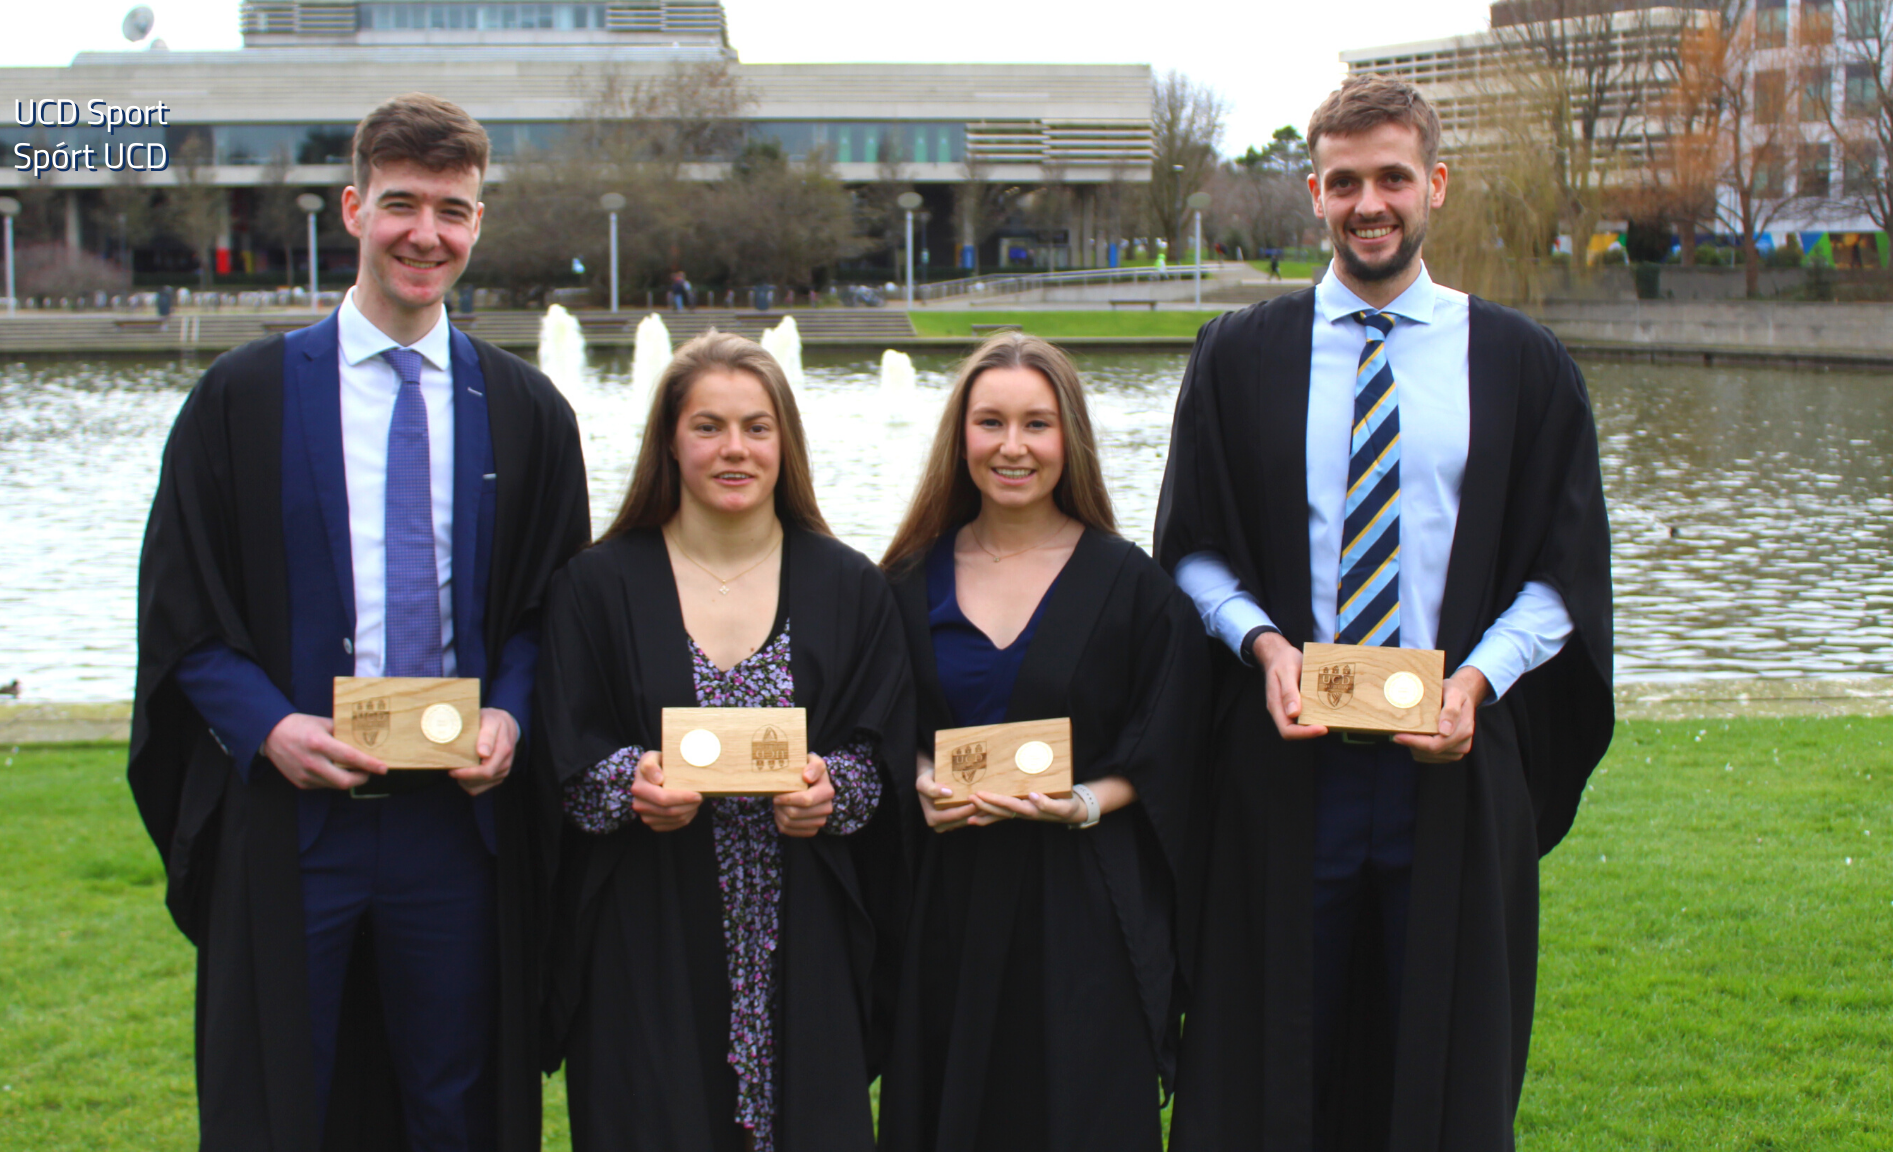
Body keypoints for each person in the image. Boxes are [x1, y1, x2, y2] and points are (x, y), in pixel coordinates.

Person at [1156, 74, 1613, 1151]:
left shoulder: (1519, 365)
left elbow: (1563, 574)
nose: (1370, 203)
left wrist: (1475, 680)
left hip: (1444, 772)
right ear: (1313, 193)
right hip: (1281, 768)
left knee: (1438, 1064)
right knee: (1268, 1050)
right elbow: (1189, 552)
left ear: (1434, 185)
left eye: (1392, 178)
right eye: (1344, 181)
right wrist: (1262, 648)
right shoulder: (1237, 358)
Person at [129, 93, 590, 1152]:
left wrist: (512, 717)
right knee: (283, 1101)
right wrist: (267, 728)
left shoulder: (524, 412)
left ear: (478, 224)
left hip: (456, 830)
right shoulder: (242, 400)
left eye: (452, 210)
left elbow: (547, 611)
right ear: (350, 208)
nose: (425, 233)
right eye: (400, 204)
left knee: (456, 1102)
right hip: (297, 819)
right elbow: (184, 612)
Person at [536, 330, 914, 1152]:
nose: (733, 449)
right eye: (707, 426)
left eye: (756, 426)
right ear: (670, 442)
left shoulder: (849, 585)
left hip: (805, 929)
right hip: (649, 930)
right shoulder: (596, 587)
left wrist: (832, 790)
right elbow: (564, 752)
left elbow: (880, 750)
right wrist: (626, 784)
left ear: (787, 441)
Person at [875, 333, 1208, 1152]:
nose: (1012, 447)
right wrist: (922, 776)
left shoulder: (1134, 588)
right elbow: (878, 727)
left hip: (1082, 912)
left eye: (1038, 424)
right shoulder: (905, 583)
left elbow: (1170, 743)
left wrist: (1086, 801)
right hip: (948, 904)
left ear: (1071, 440)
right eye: (990, 422)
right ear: (961, 437)